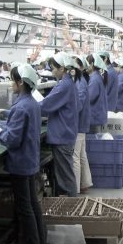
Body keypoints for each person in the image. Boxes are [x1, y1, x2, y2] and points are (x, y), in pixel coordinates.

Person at [0, 65, 46, 244]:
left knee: (24, 207)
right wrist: (5, 112)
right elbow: (21, 117)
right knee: (32, 203)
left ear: (20, 82)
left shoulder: (22, 107)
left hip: (20, 163)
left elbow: (12, 139)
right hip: (30, 160)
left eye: (12, 80)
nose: (10, 83)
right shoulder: (31, 103)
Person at [40, 53, 78, 197]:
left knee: (66, 177)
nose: (52, 71)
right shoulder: (68, 83)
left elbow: (45, 105)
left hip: (62, 136)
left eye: (53, 68)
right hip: (65, 133)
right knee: (64, 174)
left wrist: (26, 107)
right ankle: (69, 206)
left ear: (62, 68)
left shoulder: (64, 86)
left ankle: (72, 207)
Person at [72, 55, 92, 195]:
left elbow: (77, 105)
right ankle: (85, 183)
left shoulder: (80, 83)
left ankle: (75, 189)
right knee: (82, 155)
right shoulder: (81, 81)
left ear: (80, 67)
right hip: (82, 123)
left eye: (73, 66)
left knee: (75, 157)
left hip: (78, 124)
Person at [87, 53, 108, 133]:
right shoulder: (97, 76)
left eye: (87, 63)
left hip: (94, 118)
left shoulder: (94, 79)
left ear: (92, 64)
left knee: (94, 142)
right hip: (98, 116)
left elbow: (89, 98)